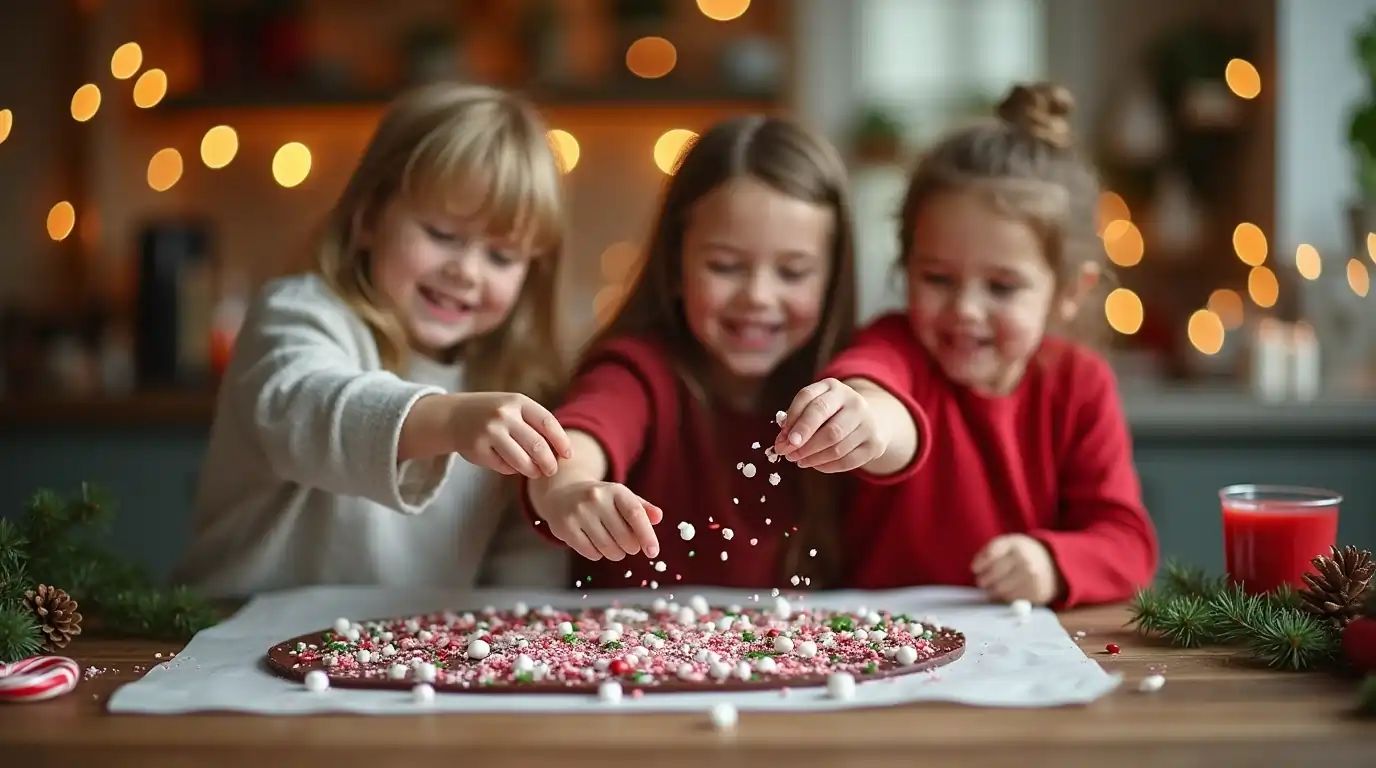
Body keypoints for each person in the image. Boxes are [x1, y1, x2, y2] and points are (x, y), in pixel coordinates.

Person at [172, 83, 574, 597]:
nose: (467, 271)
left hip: (408, 662)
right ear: (367, 217)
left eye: (501, 256)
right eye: (443, 235)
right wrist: (450, 420)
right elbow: (305, 412)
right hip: (230, 634)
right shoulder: (299, 314)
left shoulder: (519, 382)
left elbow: (522, 560)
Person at [775, 82, 1159, 608]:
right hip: (879, 648)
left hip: (1022, 660)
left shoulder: (1080, 384)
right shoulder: (896, 343)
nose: (965, 310)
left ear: (1070, 292)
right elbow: (877, 393)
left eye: (1001, 287)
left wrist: (1050, 564)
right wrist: (862, 416)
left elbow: (1127, 544)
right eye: (937, 278)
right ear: (906, 267)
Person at [521, 115, 872, 590]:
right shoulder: (639, 372)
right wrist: (570, 489)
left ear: (832, 279)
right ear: (674, 264)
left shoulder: (848, 385)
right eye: (725, 265)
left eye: (793, 272)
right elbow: (582, 435)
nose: (758, 296)